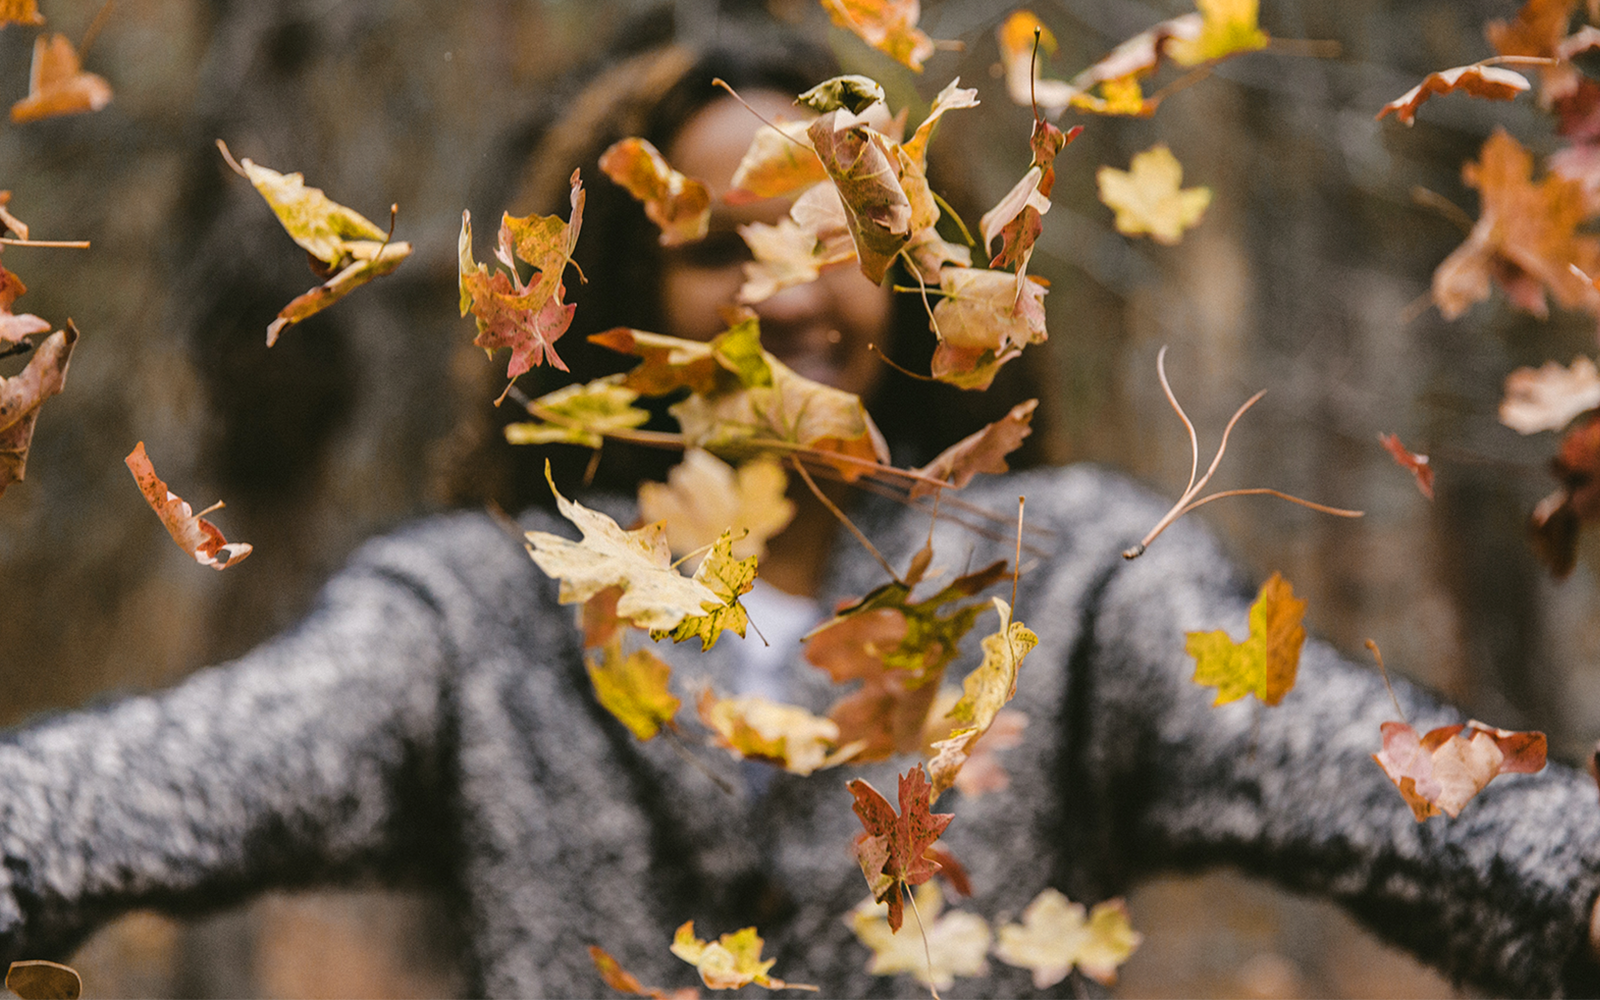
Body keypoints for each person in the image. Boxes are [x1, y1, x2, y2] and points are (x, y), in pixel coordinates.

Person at [4, 11, 1600, 999]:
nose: (788, 292)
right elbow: (163, 780)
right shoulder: (481, 612)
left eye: (840, 236)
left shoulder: (1061, 582)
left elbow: (1387, 794)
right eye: (721, 248)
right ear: (624, 300)